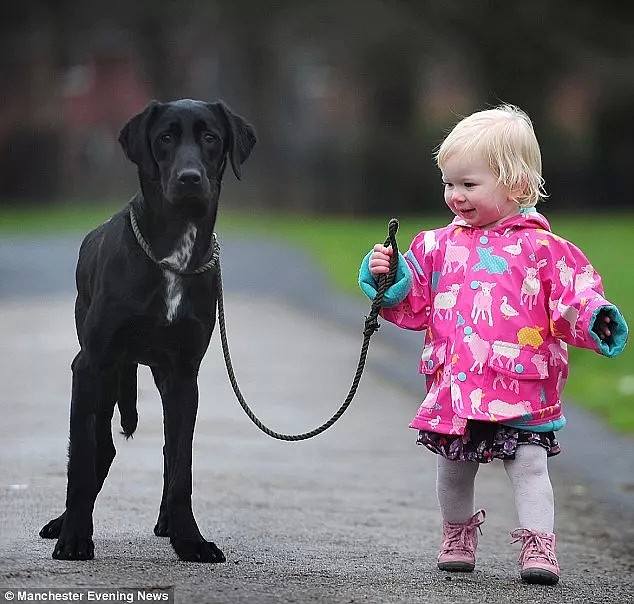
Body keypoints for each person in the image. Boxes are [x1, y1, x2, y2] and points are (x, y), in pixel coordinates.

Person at [358, 104, 628, 585]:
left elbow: (574, 297)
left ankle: (538, 545)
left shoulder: (545, 250)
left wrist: (596, 318)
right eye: (449, 184)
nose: (455, 196)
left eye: (468, 185)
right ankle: (458, 534)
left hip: (520, 385)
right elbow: (414, 299)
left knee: (528, 465)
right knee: (453, 470)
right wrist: (389, 273)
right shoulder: (436, 245)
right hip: (457, 384)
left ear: (517, 185)